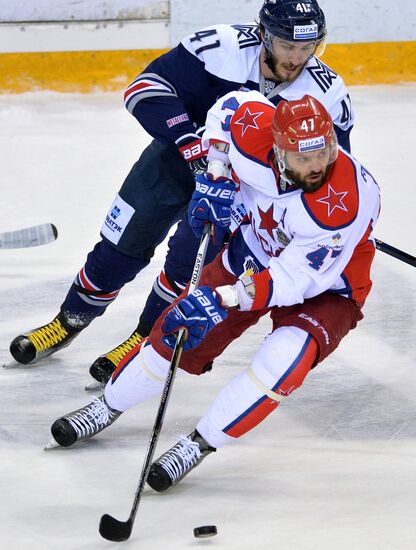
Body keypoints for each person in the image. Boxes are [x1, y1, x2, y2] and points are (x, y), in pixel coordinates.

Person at [47, 91, 381, 497]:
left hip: (328, 289)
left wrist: (223, 298)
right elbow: (229, 109)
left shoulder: (343, 203)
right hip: (251, 252)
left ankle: (197, 444)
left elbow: (294, 280)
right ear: (277, 149)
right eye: (302, 158)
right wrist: (217, 175)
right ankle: (108, 404)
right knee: (177, 329)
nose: (316, 168)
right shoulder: (253, 128)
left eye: (323, 154)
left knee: (280, 365)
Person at [10, 0, 355, 387]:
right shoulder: (222, 47)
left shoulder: (326, 94)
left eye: (307, 48)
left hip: (236, 196)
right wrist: (188, 143)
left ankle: (142, 339)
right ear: (263, 34)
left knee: (185, 271)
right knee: (119, 246)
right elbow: (145, 87)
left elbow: (329, 170)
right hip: (173, 162)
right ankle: (68, 320)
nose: (297, 58)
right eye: (286, 45)